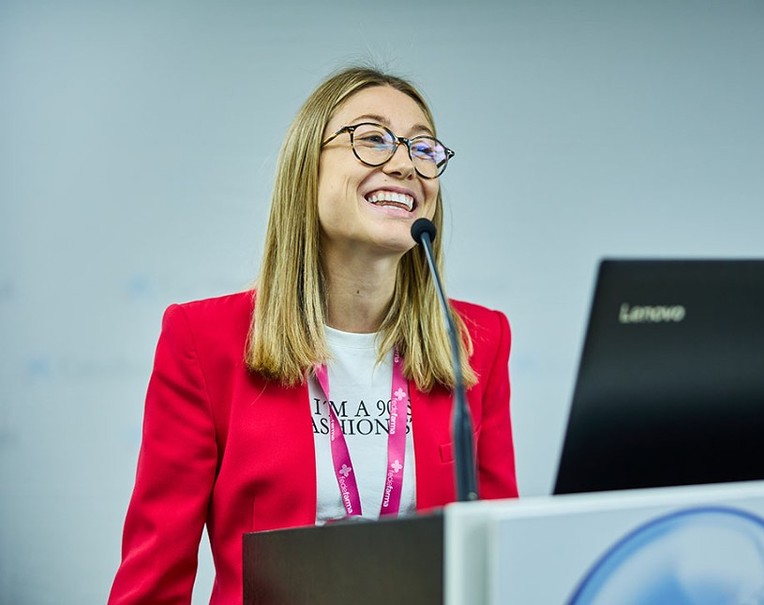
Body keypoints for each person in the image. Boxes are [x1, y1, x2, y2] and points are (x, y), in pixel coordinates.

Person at [108, 65, 518, 604]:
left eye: (423, 148)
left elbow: (504, 565)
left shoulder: (477, 341)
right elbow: (153, 582)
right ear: (307, 168)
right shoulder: (203, 340)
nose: (404, 164)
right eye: (373, 138)